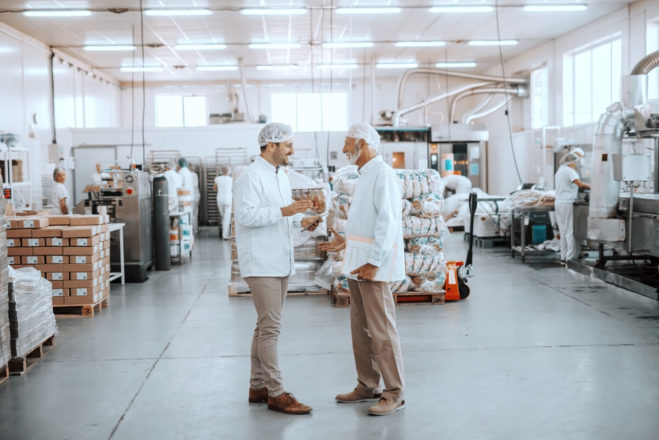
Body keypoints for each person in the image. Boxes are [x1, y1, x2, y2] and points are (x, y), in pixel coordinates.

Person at [233, 122, 321, 415]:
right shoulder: (250, 176)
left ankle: (257, 387)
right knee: (271, 328)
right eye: (288, 146)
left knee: (264, 326)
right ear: (271, 146)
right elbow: (246, 215)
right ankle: (277, 392)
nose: (292, 151)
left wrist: (304, 220)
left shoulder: (280, 175)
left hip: (279, 259)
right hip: (261, 262)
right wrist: (285, 211)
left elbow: (284, 215)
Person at [319, 122, 406, 416]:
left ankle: (394, 393)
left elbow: (388, 223)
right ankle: (367, 385)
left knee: (382, 332)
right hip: (357, 264)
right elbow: (367, 221)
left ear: (364, 144)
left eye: (348, 143)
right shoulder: (365, 175)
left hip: (373, 268)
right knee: (360, 330)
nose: (344, 149)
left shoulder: (383, 175)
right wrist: (345, 241)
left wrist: (374, 262)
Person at [555, 152, 591, 264]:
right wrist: (594, 186)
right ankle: (570, 259)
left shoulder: (560, 170)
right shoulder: (569, 171)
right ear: (570, 162)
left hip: (559, 202)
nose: (575, 164)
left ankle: (563, 258)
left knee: (562, 230)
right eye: (575, 162)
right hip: (567, 203)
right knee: (569, 231)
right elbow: (579, 184)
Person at [213, 165, 233, 240]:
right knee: (227, 218)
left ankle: (223, 232)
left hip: (220, 199)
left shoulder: (217, 178)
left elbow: (214, 189)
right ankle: (225, 235)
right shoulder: (231, 179)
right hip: (228, 199)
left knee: (223, 216)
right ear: (229, 171)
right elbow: (233, 189)